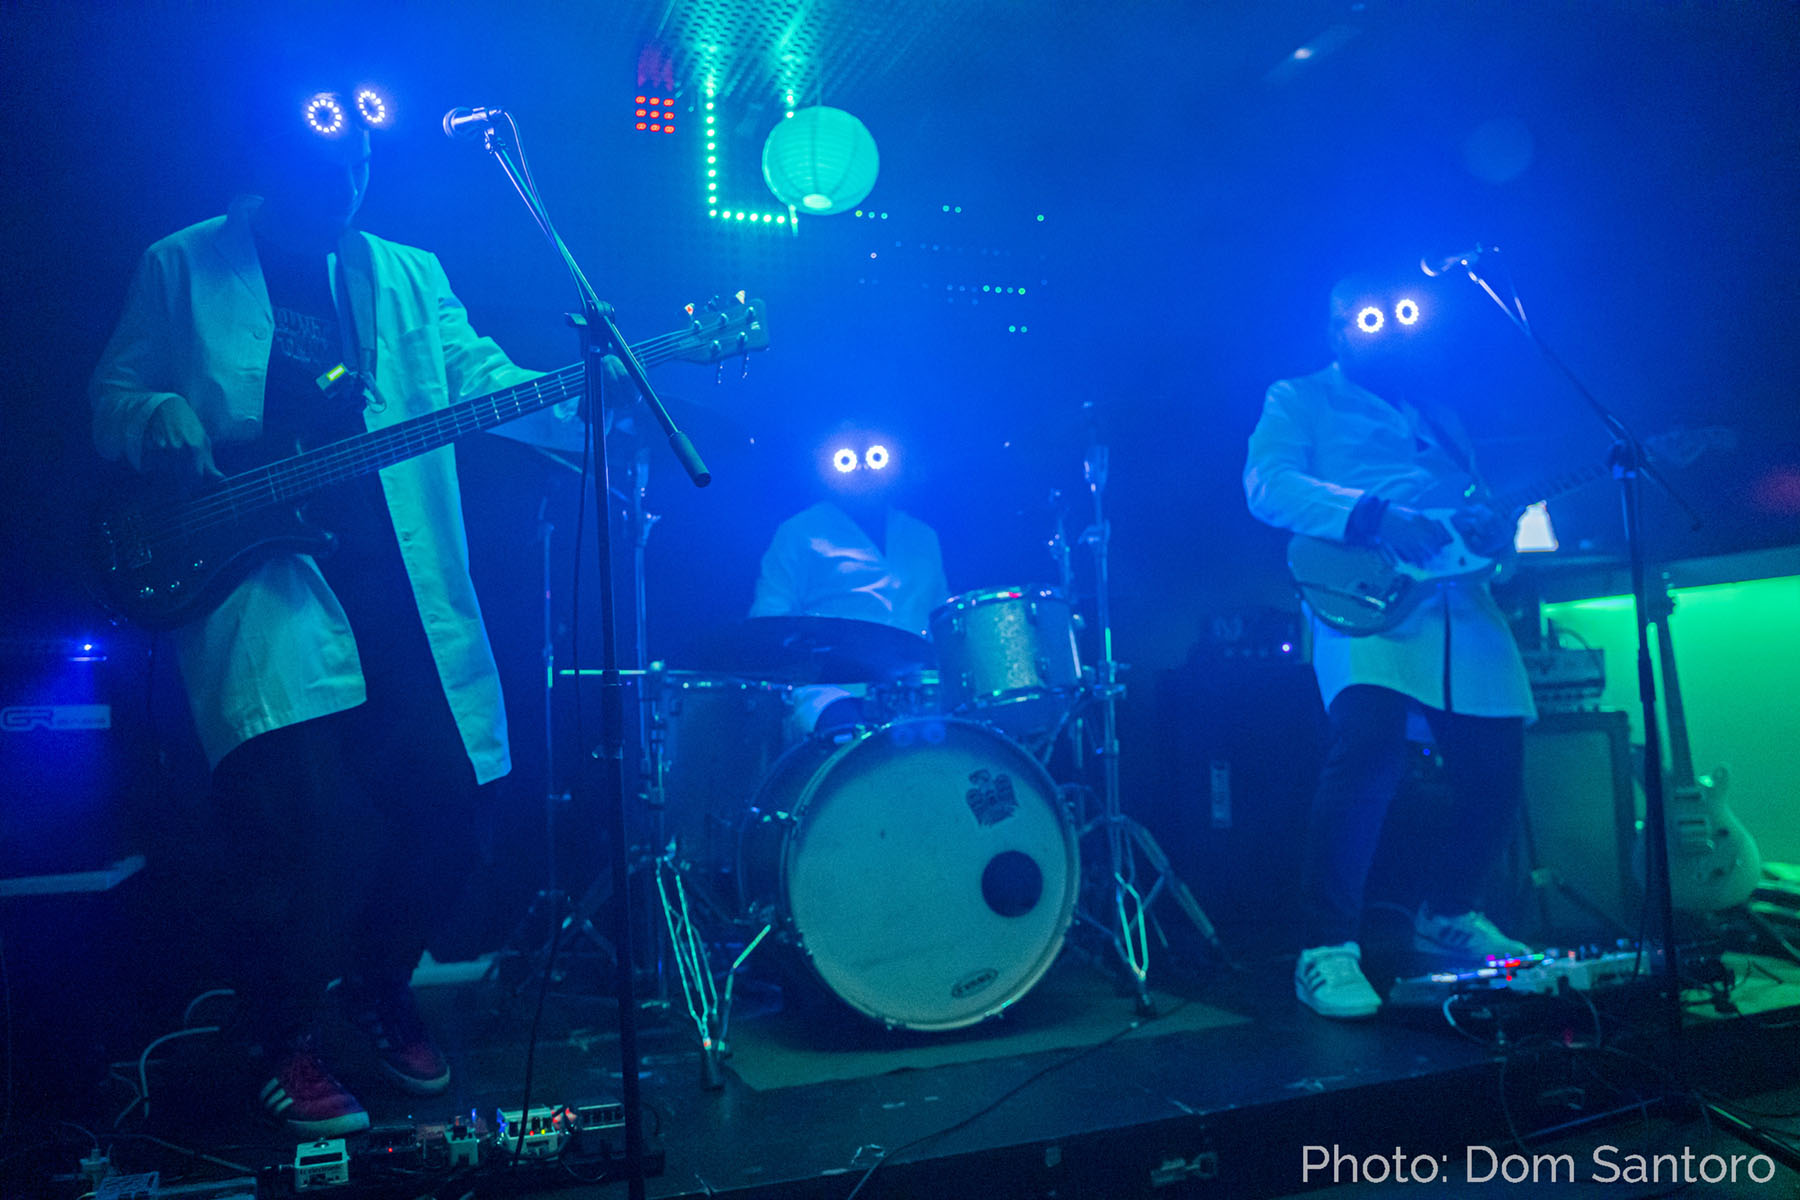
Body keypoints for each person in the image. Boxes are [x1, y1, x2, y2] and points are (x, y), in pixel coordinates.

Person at [89, 88, 610, 1135]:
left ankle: (378, 987)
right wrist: (158, 415)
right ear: (269, 173)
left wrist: (584, 388)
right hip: (258, 578)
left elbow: (478, 376)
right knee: (299, 827)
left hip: (393, 579)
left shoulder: (409, 273)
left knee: (456, 815)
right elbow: (114, 396)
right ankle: (278, 1035)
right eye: (323, 175)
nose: (344, 191)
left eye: (359, 171)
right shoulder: (181, 263)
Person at [1243, 271, 1536, 1020]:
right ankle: (1326, 947)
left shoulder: (1439, 416)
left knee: (1497, 762)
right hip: (1364, 592)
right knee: (1367, 752)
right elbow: (1267, 485)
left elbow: (1475, 519)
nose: (1380, 330)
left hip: (1459, 603)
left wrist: (1498, 541)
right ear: (1335, 328)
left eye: (1395, 319)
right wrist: (1371, 515)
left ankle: (1447, 913)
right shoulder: (1299, 396)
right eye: (1362, 320)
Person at [749, 428, 950, 731]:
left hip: (918, 694)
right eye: (846, 458)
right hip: (831, 691)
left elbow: (943, 623)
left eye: (876, 456)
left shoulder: (923, 536)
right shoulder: (799, 532)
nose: (863, 468)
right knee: (845, 727)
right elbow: (769, 624)